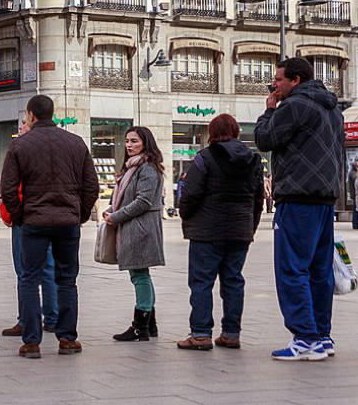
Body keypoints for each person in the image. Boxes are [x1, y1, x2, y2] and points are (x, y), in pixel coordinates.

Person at [254, 57, 345, 362]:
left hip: (298, 196)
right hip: (324, 198)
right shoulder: (332, 108)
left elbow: (264, 140)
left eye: (277, 80)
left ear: (295, 80)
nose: (273, 85)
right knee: (320, 271)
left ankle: (304, 338)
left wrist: (268, 111)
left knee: (291, 268)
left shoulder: (294, 105)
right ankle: (322, 335)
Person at [1, 94, 100, 359]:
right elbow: (92, 186)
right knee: (67, 280)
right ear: (52, 113)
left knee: (30, 279)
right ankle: (67, 338)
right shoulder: (76, 143)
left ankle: (32, 341)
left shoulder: (21, 145)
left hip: (34, 221)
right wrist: (79, 214)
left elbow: (8, 188)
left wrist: (19, 215)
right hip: (67, 222)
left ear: (31, 115)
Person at [176, 114, 264, 351]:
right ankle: (231, 333)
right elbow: (259, 198)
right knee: (234, 281)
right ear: (236, 132)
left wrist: (187, 216)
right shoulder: (253, 160)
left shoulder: (205, 157)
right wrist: (250, 226)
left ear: (211, 133)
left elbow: (190, 193)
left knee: (202, 282)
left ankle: (201, 334)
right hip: (239, 230)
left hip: (207, 231)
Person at [105, 127, 166, 343]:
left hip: (141, 229)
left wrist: (116, 216)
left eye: (134, 141)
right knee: (141, 275)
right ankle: (150, 324)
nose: (129, 145)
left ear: (145, 143)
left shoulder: (146, 168)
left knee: (140, 276)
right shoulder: (134, 167)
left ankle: (140, 327)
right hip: (135, 227)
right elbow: (127, 198)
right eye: (127, 141)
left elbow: (143, 201)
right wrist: (111, 210)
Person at [2, 118, 59, 340]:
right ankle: (52, 318)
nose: (20, 127)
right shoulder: (59, 145)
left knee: (25, 271)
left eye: (24, 122)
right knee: (48, 268)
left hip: (26, 217)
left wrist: (11, 214)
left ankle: (26, 320)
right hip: (53, 216)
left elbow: (11, 186)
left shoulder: (21, 148)